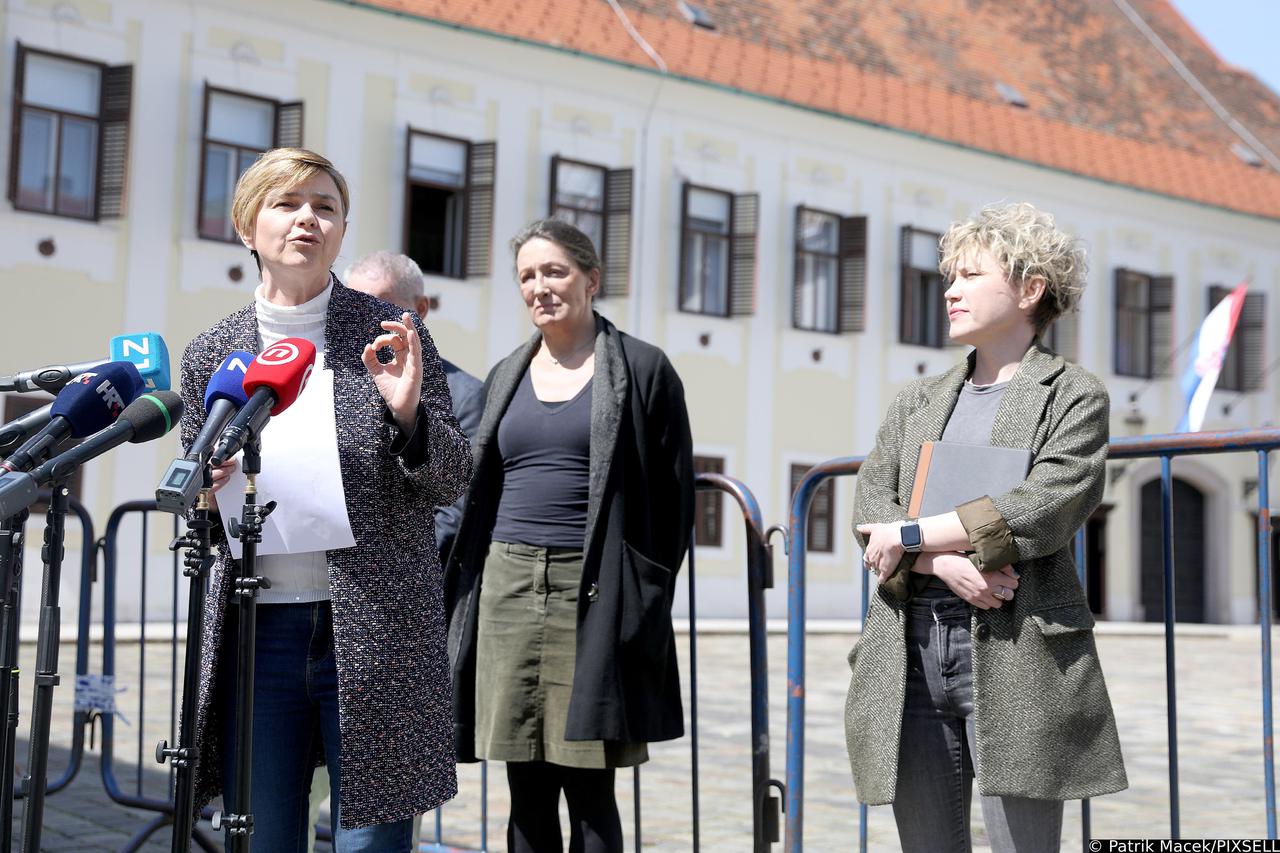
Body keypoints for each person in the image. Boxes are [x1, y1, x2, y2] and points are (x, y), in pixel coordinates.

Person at [178, 147, 472, 851]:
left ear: (342, 230)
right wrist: (205, 493)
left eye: (326, 207)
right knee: (264, 838)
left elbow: (451, 479)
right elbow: (197, 508)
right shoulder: (212, 352)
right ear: (247, 226)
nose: (308, 218)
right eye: (287, 203)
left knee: (369, 843)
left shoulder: (389, 333)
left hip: (375, 629)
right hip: (258, 632)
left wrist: (409, 415)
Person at [847, 202, 1127, 852]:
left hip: (1018, 645)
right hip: (910, 645)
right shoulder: (917, 399)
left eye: (970, 275)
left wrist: (913, 537)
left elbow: (1048, 502)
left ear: (1030, 289)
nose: (950, 289)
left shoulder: (1072, 394)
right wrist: (937, 561)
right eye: (950, 275)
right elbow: (872, 506)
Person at [445, 218, 695, 853]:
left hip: (593, 592)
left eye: (554, 271)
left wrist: (642, 591)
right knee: (524, 789)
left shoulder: (643, 369)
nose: (540, 287)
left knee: (590, 787)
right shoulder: (507, 372)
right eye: (527, 276)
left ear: (591, 279)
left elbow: (674, 505)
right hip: (507, 586)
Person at [345, 251, 483, 564]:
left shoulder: (464, 395)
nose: (365, 318)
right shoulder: (333, 382)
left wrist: (387, 568)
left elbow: (455, 510)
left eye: (380, 306)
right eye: (354, 306)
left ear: (420, 309)